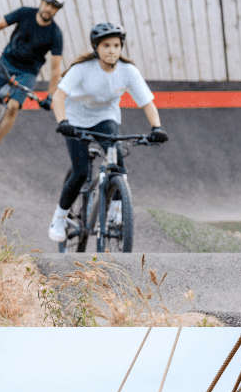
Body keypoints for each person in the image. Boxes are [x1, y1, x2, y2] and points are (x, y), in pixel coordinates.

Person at [48, 22, 168, 243]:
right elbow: (58, 97)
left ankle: (115, 214)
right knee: (81, 171)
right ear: (96, 48)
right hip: (75, 120)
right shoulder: (82, 69)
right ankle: (60, 217)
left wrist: (157, 128)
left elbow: (148, 103)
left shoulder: (128, 71)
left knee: (118, 164)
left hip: (105, 118)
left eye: (116, 45)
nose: (112, 50)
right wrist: (63, 121)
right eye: (106, 45)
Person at [0, 0, 66, 167]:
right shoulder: (24, 13)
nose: (49, 8)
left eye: (54, 6)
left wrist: (50, 96)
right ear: (41, 1)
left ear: (57, 10)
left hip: (27, 72)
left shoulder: (55, 34)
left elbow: (55, 68)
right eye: (47, 3)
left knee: (13, 107)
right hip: (6, 62)